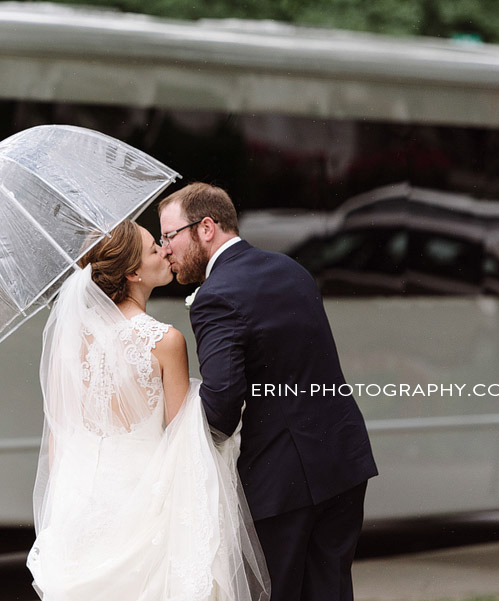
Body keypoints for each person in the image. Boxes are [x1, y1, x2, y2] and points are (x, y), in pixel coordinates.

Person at [26, 220, 269, 601]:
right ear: (133, 272)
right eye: (155, 249)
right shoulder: (165, 342)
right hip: (145, 500)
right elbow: (183, 440)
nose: (166, 250)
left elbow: (60, 432)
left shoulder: (69, 346)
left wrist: (63, 508)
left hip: (81, 503)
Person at [158, 183, 378, 601]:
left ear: (206, 227)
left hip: (283, 480)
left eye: (170, 235)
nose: (166, 248)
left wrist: (183, 436)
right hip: (343, 461)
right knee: (330, 590)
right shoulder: (291, 269)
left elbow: (222, 404)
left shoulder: (215, 296)